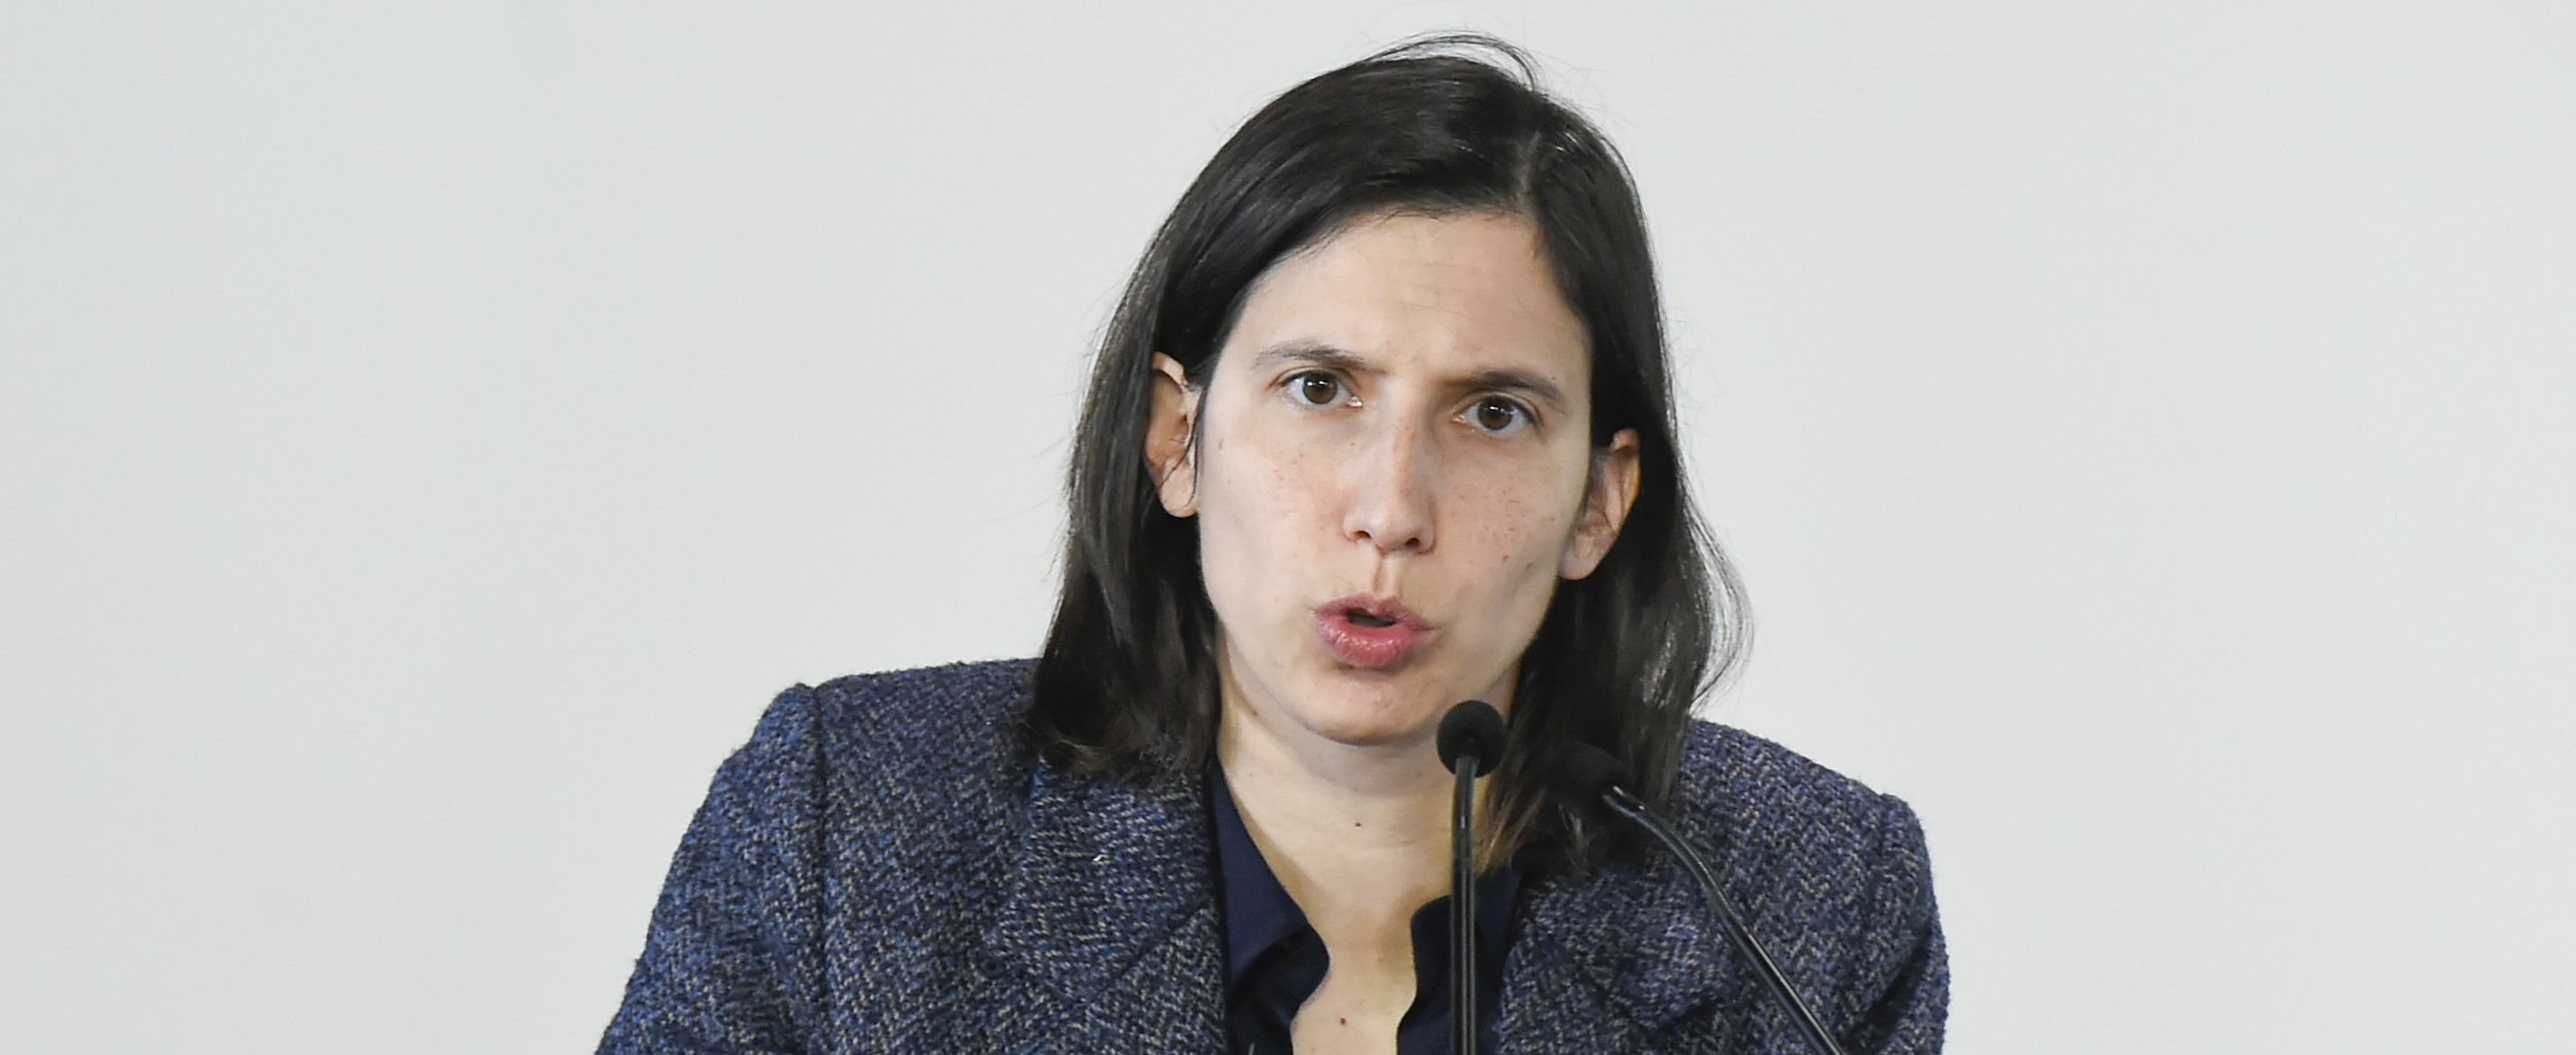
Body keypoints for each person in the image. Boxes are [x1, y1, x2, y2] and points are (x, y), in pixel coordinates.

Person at [599, 35, 1946, 1054]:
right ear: (1177, 439)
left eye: (1492, 413)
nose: (1391, 509)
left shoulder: (1812, 906)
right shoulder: (851, 833)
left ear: (1600, 500)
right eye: (1319, 389)